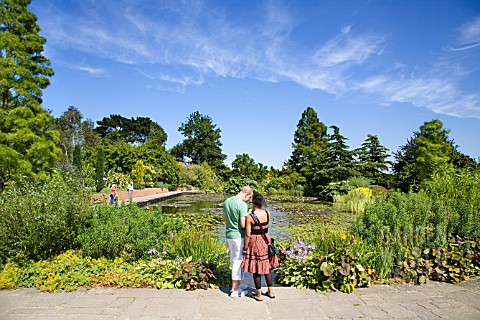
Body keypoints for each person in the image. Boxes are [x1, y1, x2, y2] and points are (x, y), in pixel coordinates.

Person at [241, 193, 279, 301]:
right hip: (266, 240)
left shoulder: (250, 217)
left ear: (253, 202)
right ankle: (271, 292)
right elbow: (266, 227)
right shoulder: (268, 213)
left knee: (256, 268)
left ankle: (258, 294)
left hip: (255, 242)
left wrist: (245, 247)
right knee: (267, 267)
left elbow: (248, 234)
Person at [222, 186, 253, 298]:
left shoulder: (227, 201)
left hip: (229, 235)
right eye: (249, 198)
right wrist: (248, 215)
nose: (248, 200)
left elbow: (223, 218)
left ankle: (238, 285)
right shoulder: (242, 205)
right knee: (238, 261)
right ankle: (234, 290)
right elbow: (243, 224)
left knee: (233, 259)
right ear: (246, 194)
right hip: (238, 236)